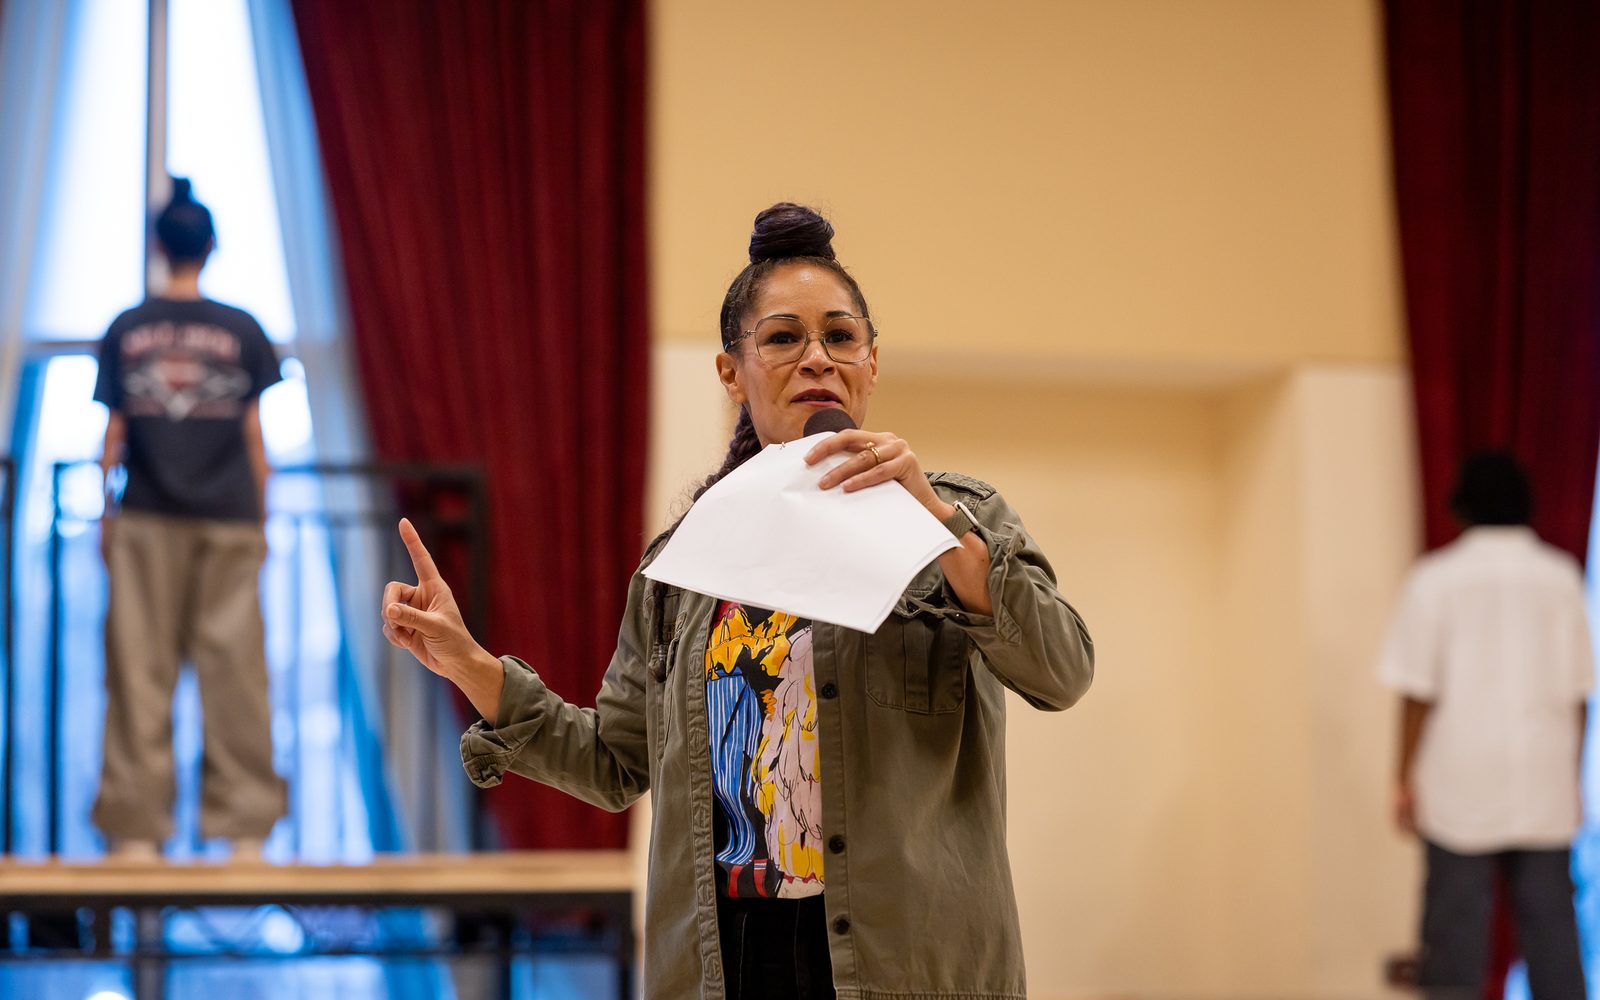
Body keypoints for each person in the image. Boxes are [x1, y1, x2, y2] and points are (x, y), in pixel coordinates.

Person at [382, 203, 1095, 998]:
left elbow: (1061, 671)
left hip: (908, 964)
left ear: (872, 361)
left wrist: (935, 520)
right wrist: (469, 663)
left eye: (841, 336)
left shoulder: (956, 519)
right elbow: (614, 763)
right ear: (733, 371)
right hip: (730, 961)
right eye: (784, 337)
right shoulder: (683, 567)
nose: (817, 357)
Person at [92, 178, 287, 859]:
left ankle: (136, 830)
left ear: (158, 244)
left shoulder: (127, 327)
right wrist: (264, 519)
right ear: (211, 246)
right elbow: (255, 438)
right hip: (230, 518)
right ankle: (244, 833)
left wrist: (103, 519)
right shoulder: (242, 329)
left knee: (138, 672)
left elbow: (113, 437)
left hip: (144, 515)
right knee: (235, 673)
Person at [1381, 450, 1593, 1000]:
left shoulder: (1436, 579)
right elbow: (1579, 694)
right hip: (1541, 782)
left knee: (1454, 944)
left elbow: (1416, 691)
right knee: (1553, 942)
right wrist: (1569, 775)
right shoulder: (1561, 577)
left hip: (1459, 781)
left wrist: (1401, 776)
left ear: (1462, 506)